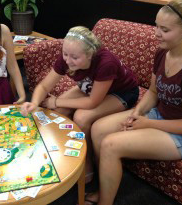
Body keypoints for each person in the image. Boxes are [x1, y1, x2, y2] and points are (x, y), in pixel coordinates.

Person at [85, 0, 182, 205]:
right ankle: (105, 182)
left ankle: (105, 201)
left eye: (165, 29)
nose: (156, 33)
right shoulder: (162, 52)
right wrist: (138, 112)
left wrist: (148, 123)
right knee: (98, 129)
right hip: (162, 115)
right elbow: (153, 91)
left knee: (110, 144)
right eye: (156, 26)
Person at [21, 26, 139, 182]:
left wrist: (56, 100)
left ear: (90, 55)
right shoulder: (68, 57)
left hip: (122, 92)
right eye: (65, 54)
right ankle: (62, 156)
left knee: (81, 117)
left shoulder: (106, 63)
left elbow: (92, 102)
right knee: (59, 112)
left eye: (75, 58)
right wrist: (34, 102)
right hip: (93, 87)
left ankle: (87, 165)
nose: (68, 61)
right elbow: (44, 86)